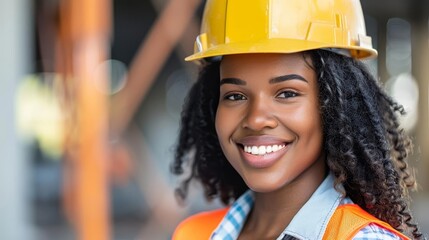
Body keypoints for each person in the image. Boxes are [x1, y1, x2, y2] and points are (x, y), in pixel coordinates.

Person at [171, 0, 424, 239]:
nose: (257, 119)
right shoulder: (193, 233)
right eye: (235, 96)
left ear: (335, 106)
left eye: (287, 93)